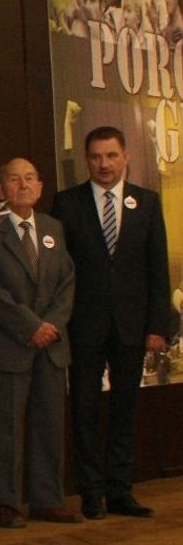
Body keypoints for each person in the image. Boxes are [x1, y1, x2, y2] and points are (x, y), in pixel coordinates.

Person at [52, 126, 174, 519]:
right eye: (96, 157)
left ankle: (120, 490)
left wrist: (158, 326)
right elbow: (59, 271)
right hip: (83, 325)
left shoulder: (147, 202)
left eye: (111, 156)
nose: (104, 164)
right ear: (86, 160)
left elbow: (157, 270)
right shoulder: (66, 203)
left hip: (132, 326)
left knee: (125, 409)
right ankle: (91, 492)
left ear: (125, 157)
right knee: (84, 408)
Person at [0, 158, 79, 527]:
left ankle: (47, 500)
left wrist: (51, 325)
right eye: (14, 179)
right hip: (7, 345)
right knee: (6, 429)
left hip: (51, 345)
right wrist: (30, 326)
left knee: (49, 426)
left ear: (40, 187)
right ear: (0, 189)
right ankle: (6, 502)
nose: (23, 185)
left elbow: (67, 281)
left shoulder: (52, 227)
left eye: (30, 178)